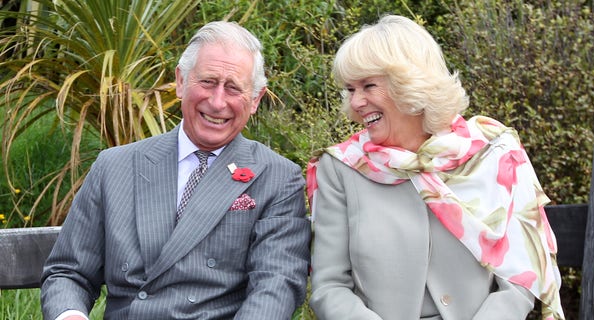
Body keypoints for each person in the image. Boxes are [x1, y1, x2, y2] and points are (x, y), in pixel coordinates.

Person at [41, 21, 311, 320]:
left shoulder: (277, 177)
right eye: (208, 82)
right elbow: (68, 272)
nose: (217, 101)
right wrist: (70, 315)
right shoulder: (114, 167)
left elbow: (276, 284)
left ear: (256, 100)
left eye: (233, 88)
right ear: (181, 81)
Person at [306, 15, 564, 320]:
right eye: (350, 89)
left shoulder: (494, 151)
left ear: (409, 84)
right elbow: (330, 286)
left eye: (368, 86)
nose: (357, 102)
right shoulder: (341, 168)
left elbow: (521, 276)